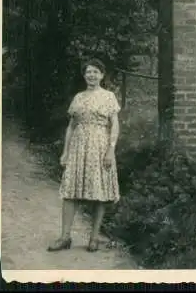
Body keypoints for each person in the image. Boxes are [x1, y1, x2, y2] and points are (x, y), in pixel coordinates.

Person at [47, 58, 121, 252]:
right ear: (84, 75)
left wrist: (111, 150)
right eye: (88, 72)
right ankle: (65, 237)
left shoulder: (109, 97)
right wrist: (65, 152)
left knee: (100, 193)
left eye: (96, 72)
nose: (91, 75)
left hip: (100, 148)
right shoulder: (78, 97)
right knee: (70, 191)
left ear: (102, 75)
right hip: (78, 149)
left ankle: (94, 238)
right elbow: (71, 127)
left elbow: (115, 126)